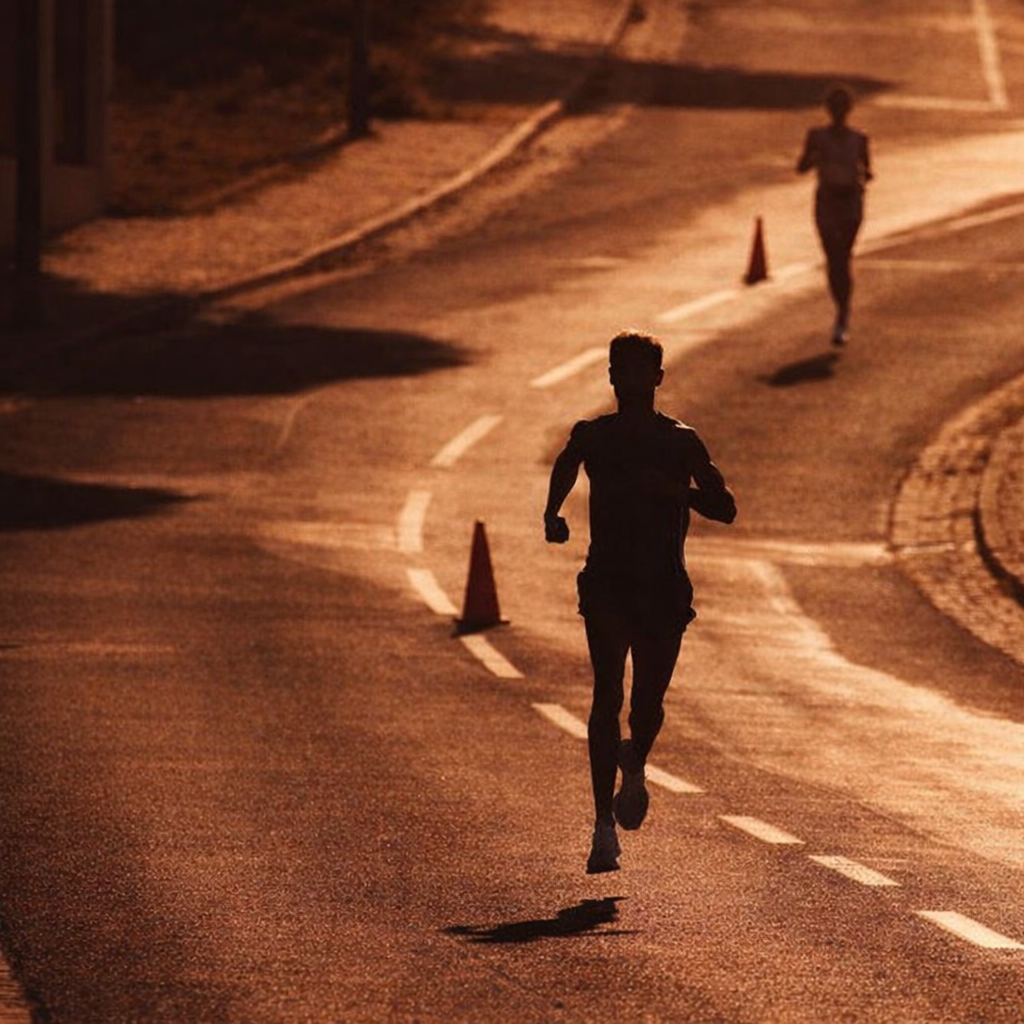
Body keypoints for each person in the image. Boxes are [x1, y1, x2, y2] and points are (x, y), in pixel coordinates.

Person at [544, 331, 736, 874]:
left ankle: (635, 760)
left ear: (658, 378)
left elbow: (725, 508)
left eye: (639, 371)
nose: (628, 380)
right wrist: (551, 513)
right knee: (606, 694)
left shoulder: (681, 442)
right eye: (620, 370)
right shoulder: (594, 436)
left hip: (664, 589)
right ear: (610, 377)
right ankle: (602, 827)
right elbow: (567, 462)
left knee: (646, 706)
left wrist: (678, 494)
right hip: (607, 583)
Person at [796, 84, 873, 346]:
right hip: (827, 201)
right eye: (834, 108)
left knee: (843, 256)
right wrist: (816, 158)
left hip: (850, 202)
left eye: (842, 108)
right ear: (828, 110)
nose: (838, 112)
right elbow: (801, 166)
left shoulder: (859, 138)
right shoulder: (817, 137)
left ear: (848, 110)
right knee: (833, 258)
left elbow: (867, 170)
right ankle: (841, 308)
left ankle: (842, 314)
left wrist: (860, 175)